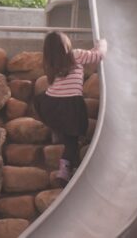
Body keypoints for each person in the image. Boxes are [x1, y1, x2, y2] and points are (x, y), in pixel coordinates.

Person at [35, 32, 107, 183]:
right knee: (72, 141)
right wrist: (102, 44)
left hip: (51, 104)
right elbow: (98, 56)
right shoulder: (76, 54)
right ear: (66, 44)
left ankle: (56, 129)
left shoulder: (51, 63)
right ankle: (64, 171)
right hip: (70, 105)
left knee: (40, 100)